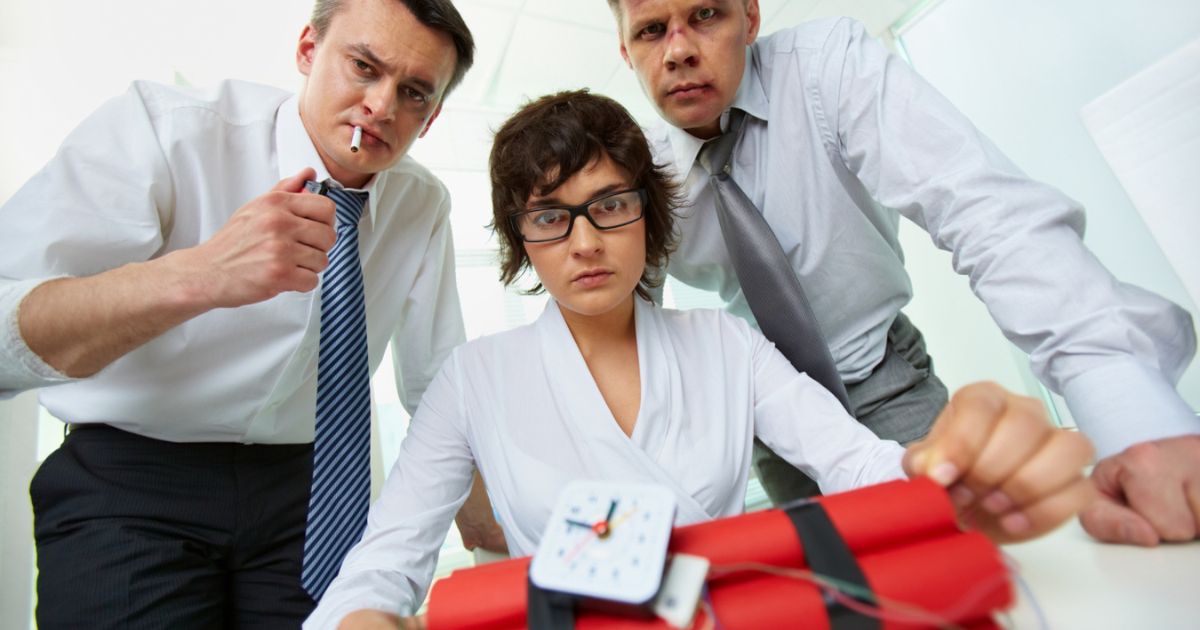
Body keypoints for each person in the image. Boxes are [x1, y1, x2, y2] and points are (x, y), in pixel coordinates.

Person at [308, 90, 1094, 629]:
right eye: (550, 216)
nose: (585, 242)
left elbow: (855, 461)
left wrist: (948, 474)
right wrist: (363, 616)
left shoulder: (726, 344)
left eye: (610, 205)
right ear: (522, 239)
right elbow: (387, 556)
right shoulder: (473, 379)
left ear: (648, 214)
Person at [601, 0, 1198, 546]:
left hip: (884, 376)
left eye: (706, 15)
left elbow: (985, 213)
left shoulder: (826, 67)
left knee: (966, 556)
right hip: (769, 420)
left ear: (750, 17)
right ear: (627, 51)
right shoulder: (633, 176)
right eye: (651, 31)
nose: (679, 50)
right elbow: (632, 334)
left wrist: (1130, 414)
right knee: (841, 587)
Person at [0, 0, 475, 626]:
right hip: (131, 480)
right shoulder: (163, 130)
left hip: (314, 497)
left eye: (414, 93)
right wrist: (202, 273)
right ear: (308, 50)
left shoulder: (422, 203)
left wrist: (488, 528)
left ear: (431, 117)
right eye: (364, 66)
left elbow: (439, 384)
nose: (382, 106)